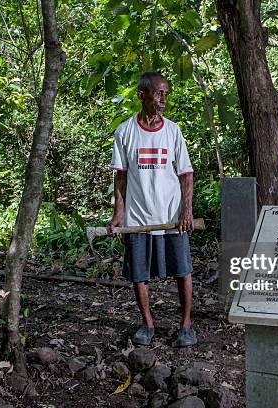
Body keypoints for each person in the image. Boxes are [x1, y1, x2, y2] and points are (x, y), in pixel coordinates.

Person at [109, 72, 196, 347]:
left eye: (166, 94)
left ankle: (185, 324)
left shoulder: (173, 131)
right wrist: (119, 214)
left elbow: (186, 173)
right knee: (139, 273)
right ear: (141, 95)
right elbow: (120, 176)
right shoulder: (125, 132)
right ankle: (147, 324)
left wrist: (186, 211)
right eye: (158, 93)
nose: (163, 99)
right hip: (138, 215)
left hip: (171, 215)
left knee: (183, 270)